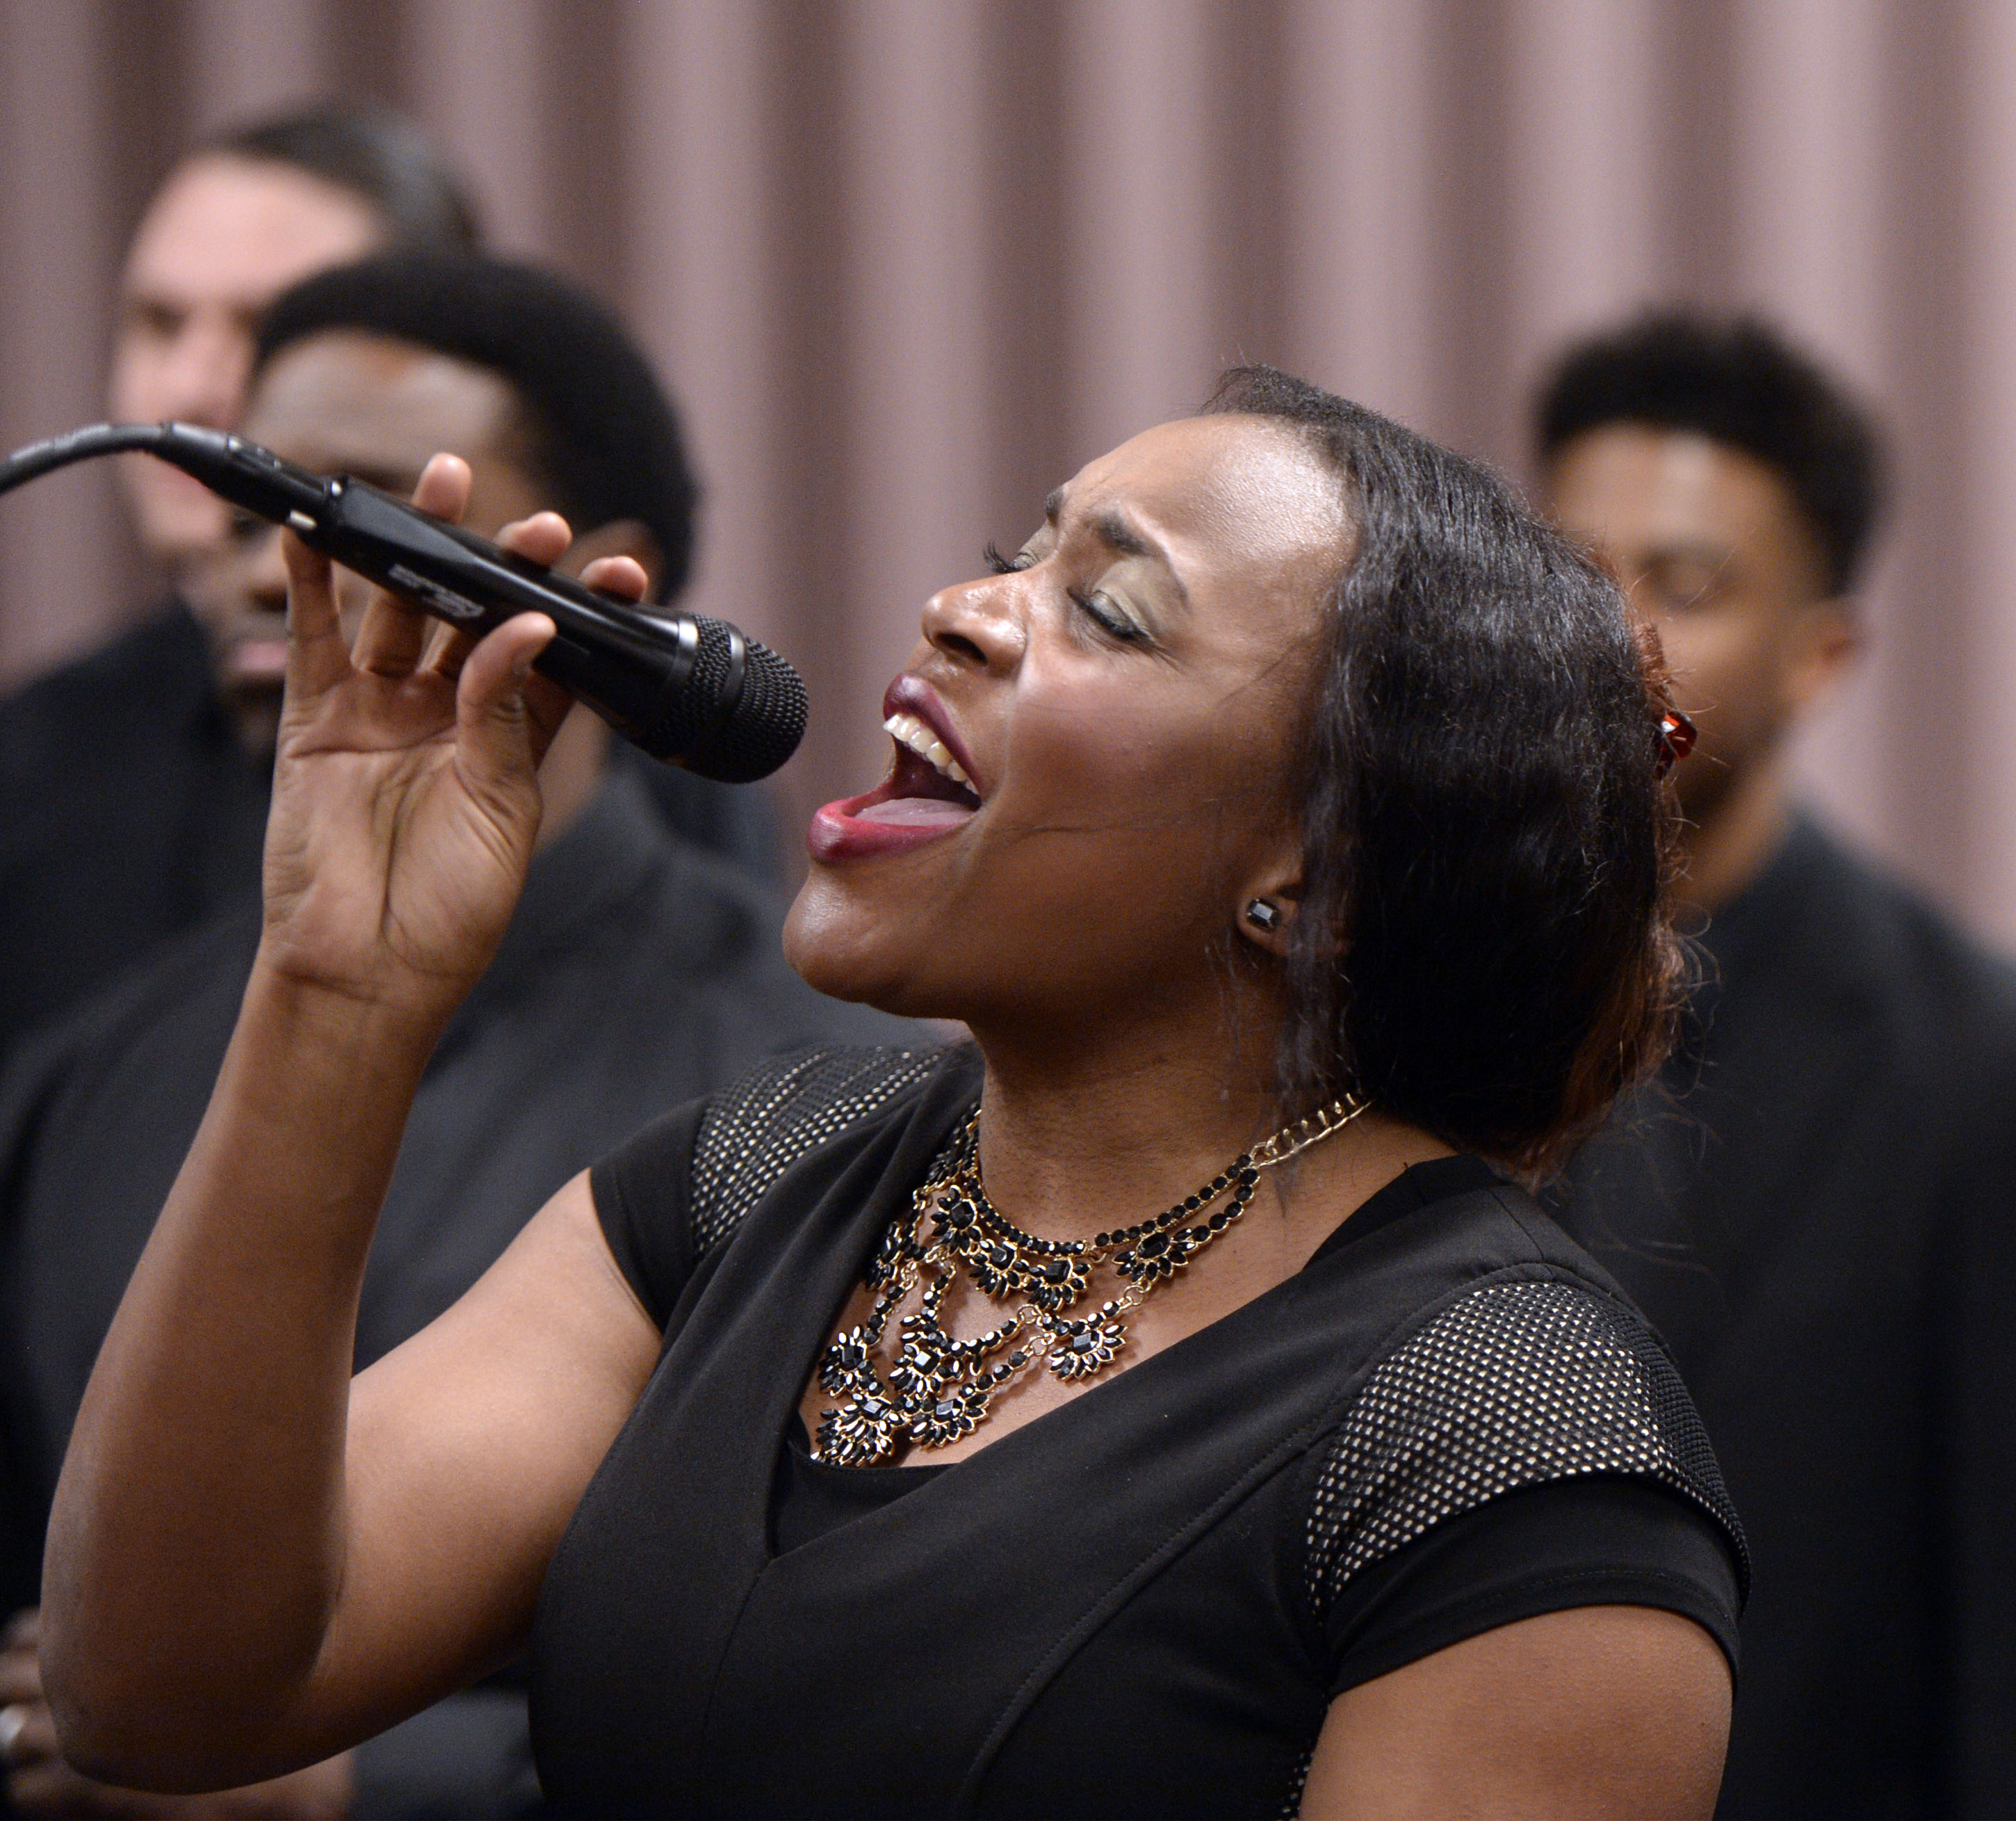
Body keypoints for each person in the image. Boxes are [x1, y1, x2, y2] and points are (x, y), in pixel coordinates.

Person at [35, 366, 1747, 1818]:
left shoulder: (1508, 1439)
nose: (962, 606)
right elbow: (162, 1685)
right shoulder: (755, 1176)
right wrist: (340, 984)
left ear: (1319, 867)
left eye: (1108, 606)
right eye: (1019, 551)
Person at [0, 253, 912, 1819]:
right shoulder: (85, 1074)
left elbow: (847, 1682)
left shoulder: (807, 1096)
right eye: (251, 498)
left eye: (354, 500)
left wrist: (354, 1780)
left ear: (594, 588)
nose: (263, 549)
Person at [1536, 313, 2016, 1818]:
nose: (1610, 629)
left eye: (1686, 583)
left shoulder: (1964, 1062)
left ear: (1820, 654)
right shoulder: (1375, 985)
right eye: (1570, 565)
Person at [0, 106, 481, 1062]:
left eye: (267, 328)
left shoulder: (604, 763)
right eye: (159, 323)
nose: (187, 387)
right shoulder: (24, 770)